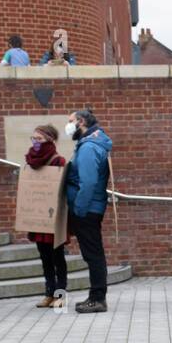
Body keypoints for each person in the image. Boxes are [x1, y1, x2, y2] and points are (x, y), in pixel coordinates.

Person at [65, 108, 111, 313]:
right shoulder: (91, 144)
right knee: (94, 253)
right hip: (92, 207)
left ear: (81, 122)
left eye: (70, 121)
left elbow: (89, 181)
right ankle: (97, 296)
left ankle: (97, 298)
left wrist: (79, 209)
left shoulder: (88, 148)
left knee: (93, 254)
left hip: (87, 209)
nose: (68, 125)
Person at [26, 124, 70, 308]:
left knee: (57, 257)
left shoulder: (58, 161)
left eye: (39, 139)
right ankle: (49, 293)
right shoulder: (30, 161)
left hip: (53, 218)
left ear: (50, 140)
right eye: (34, 139)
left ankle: (61, 294)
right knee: (44, 257)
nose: (36, 143)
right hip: (37, 215)